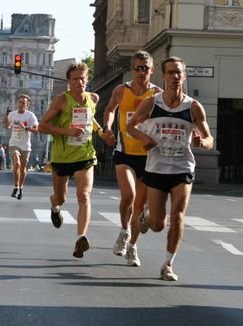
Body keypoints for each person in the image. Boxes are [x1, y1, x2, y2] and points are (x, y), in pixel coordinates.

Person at [126, 56, 214, 281]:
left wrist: (201, 143)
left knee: (178, 216)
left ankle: (167, 264)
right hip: (156, 168)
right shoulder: (152, 103)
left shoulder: (193, 107)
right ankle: (146, 217)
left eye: (179, 73)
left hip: (182, 168)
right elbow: (130, 126)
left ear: (184, 76)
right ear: (163, 76)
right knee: (157, 224)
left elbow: (209, 138)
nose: (176, 77)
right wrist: (145, 137)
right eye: (171, 73)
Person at [103, 50, 162, 265]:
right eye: (137, 68)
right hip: (125, 153)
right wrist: (107, 128)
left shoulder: (157, 95)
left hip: (148, 157)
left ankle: (132, 247)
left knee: (139, 206)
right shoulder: (121, 90)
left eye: (145, 68)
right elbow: (109, 110)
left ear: (152, 70)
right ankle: (124, 230)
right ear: (131, 70)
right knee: (128, 196)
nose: (140, 72)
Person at [38, 63, 100, 259]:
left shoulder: (93, 99)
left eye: (83, 78)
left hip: (85, 155)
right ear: (68, 82)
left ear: (87, 80)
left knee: (84, 196)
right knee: (61, 198)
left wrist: (101, 132)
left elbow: (91, 121)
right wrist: (67, 131)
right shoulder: (61, 101)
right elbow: (42, 126)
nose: (79, 82)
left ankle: (81, 238)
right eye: (75, 79)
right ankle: (54, 206)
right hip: (62, 157)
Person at [2, 94, 39, 200]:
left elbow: (37, 130)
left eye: (24, 103)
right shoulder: (12, 114)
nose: (21, 104)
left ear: (27, 105)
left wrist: (26, 127)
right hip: (14, 143)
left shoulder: (30, 116)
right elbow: (7, 126)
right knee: (16, 163)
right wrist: (5, 121)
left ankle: (21, 187)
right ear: (17, 103)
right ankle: (15, 186)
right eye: (20, 102)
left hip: (26, 145)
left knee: (23, 168)